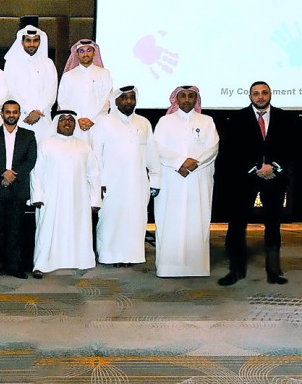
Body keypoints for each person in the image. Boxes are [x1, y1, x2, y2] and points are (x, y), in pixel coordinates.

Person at [219, 81, 297, 285]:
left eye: (264, 92)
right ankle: (235, 271)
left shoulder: (284, 117)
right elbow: (231, 150)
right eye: (256, 93)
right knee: (237, 224)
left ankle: (274, 272)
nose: (260, 96)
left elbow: (292, 146)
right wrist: (255, 168)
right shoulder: (237, 118)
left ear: (270, 94)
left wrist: (275, 167)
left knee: (273, 224)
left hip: (275, 178)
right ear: (250, 96)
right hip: (245, 179)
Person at [153, 86, 219, 278]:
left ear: (196, 99)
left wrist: (193, 164)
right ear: (177, 99)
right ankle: (168, 267)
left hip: (198, 178)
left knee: (197, 217)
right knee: (169, 218)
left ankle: (197, 267)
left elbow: (212, 147)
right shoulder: (165, 122)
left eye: (191, 96)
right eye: (183, 96)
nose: (187, 99)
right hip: (172, 177)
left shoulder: (207, 121)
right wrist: (179, 163)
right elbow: (157, 147)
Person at [92, 86, 160, 267]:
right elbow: (96, 155)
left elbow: (151, 153)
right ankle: (109, 256)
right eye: (124, 98)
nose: (129, 101)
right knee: (111, 219)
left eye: (132, 98)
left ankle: (132, 256)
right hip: (111, 182)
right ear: (116, 101)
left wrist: (155, 179)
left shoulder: (144, 123)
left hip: (137, 182)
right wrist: (100, 182)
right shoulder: (104, 122)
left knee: (135, 218)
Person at [29, 111, 101, 276]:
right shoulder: (45, 144)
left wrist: (95, 200)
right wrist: (37, 196)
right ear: (56, 123)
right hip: (51, 198)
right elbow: (36, 172)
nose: (67, 123)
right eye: (62, 119)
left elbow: (94, 174)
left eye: (70, 120)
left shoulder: (84, 146)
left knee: (78, 228)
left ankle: (80, 261)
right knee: (47, 230)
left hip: (79, 198)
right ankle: (42, 265)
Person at [0, 99, 38, 279]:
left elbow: (30, 160)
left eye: (15, 112)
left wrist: (12, 175)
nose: (11, 115)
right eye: (8, 112)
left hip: (18, 188)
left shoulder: (28, 135)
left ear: (19, 114)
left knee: (15, 229)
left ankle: (14, 266)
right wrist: (2, 173)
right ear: (2, 114)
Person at [3, 25, 57, 141]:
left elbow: (52, 91)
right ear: (22, 42)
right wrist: (28, 110)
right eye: (28, 40)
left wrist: (39, 112)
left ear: (40, 42)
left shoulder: (48, 63)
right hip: (22, 117)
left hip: (43, 119)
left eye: (35, 40)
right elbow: (11, 90)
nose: (32, 44)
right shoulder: (11, 63)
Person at [56, 39, 113, 136]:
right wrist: (77, 119)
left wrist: (92, 119)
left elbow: (107, 99)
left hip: (98, 124)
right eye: (82, 51)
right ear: (77, 54)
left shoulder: (104, 73)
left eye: (89, 50)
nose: (85, 54)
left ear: (94, 53)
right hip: (75, 125)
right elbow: (62, 100)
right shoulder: (68, 76)